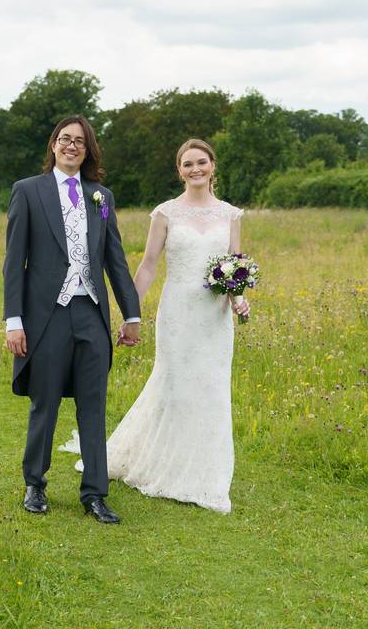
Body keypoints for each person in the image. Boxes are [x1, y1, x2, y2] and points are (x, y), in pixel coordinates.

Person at [77, 138, 249, 513]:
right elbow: (149, 265)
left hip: (214, 318)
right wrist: (130, 312)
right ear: (179, 170)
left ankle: (207, 475)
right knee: (173, 385)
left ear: (212, 166)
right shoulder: (166, 213)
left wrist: (238, 299)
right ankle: (165, 466)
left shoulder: (231, 215)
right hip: (178, 313)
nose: (195, 169)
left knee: (211, 389)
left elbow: (235, 265)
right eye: (187, 164)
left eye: (201, 162)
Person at [3, 115, 141, 524]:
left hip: (90, 313)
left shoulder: (102, 197)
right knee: (44, 402)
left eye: (80, 141)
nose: (71, 146)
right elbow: (15, 263)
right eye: (65, 139)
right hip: (47, 316)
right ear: (53, 145)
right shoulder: (28, 192)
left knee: (93, 405)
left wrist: (131, 313)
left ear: (88, 148)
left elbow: (115, 260)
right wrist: (14, 320)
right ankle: (35, 483)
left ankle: (95, 493)